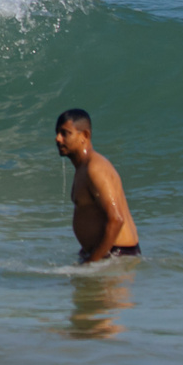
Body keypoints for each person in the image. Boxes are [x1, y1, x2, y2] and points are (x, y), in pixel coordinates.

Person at [55, 109, 139, 264]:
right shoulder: (83, 168)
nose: (58, 139)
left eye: (65, 133)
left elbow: (116, 219)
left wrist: (91, 263)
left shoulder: (95, 168)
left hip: (117, 257)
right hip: (104, 255)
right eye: (57, 133)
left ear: (84, 136)